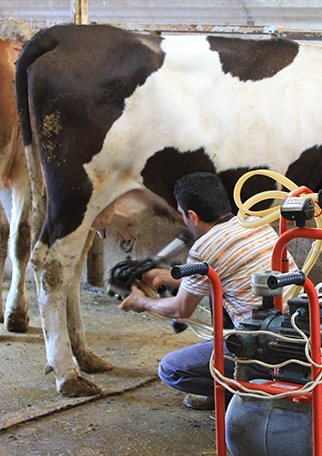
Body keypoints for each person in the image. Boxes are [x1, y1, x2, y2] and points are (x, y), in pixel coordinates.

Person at [119, 172, 297, 409]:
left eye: (183, 215)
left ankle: (239, 391)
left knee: (171, 369)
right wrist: (162, 276)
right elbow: (218, 275)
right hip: (298, 334)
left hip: (264, 349)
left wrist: (141, 303)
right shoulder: (255, 224)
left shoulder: (205, 246)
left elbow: (180, 308)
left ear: (192, 216)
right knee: (217, 289)